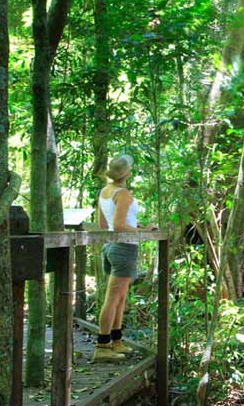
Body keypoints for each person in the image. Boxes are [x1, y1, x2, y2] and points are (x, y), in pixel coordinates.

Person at [93, 155, 156, 363]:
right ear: (127, 174)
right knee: (113, 299)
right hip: (123, 248)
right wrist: (145, 230)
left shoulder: (104, 191)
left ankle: (116, 340)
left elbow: (104, 225)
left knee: (120, 298)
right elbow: (120, 225)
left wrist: (136, 227)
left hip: (111, 246)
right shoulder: (124, 194)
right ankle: (102, 346)